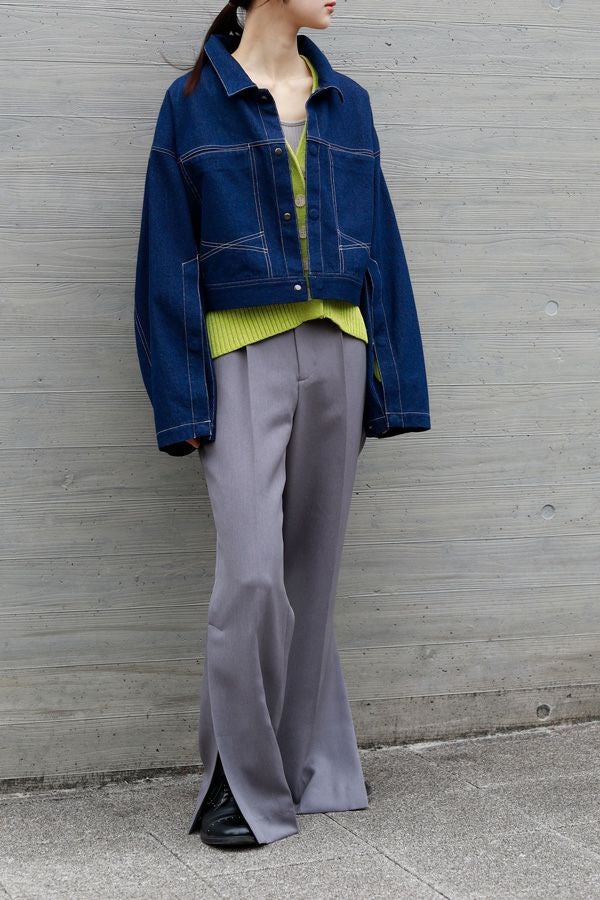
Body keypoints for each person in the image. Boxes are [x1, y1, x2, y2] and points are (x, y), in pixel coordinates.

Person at [133, 0, 431, 849]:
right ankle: (240, 779)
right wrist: (182, 399)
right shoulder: (193, 103)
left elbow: (382, 247)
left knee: (311, 579)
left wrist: (396, 382)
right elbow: (166, 255)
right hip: (239, 358)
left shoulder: (349, 103)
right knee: (254, 574)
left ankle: (300, 768)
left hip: (340, 349)